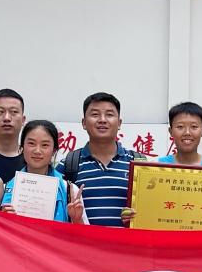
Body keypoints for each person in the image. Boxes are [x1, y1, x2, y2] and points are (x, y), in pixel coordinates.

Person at [59, 92, 143, 227]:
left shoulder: (139, 163)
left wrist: (137, 217)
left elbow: (151, 210)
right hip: (82, 241)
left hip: (125, 241)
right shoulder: (68, 164)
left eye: (109, 114)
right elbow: (55, 213)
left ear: (119, 123)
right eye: (95, 114)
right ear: (84, 123)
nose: (102, 120)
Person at [0, 120, 87, 223]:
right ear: (22, 147)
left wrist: (77, 219)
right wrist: (4, 220)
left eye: (45, 145)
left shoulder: (70, 191)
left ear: (54, 150)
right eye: (31, 143)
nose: (37, 151)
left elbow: (83, 233)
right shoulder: (4, 189)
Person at [158, 101, 202, 167]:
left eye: (194, 127)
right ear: (171, 131)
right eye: (180, 127)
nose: (187, 132)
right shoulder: (157, 166)